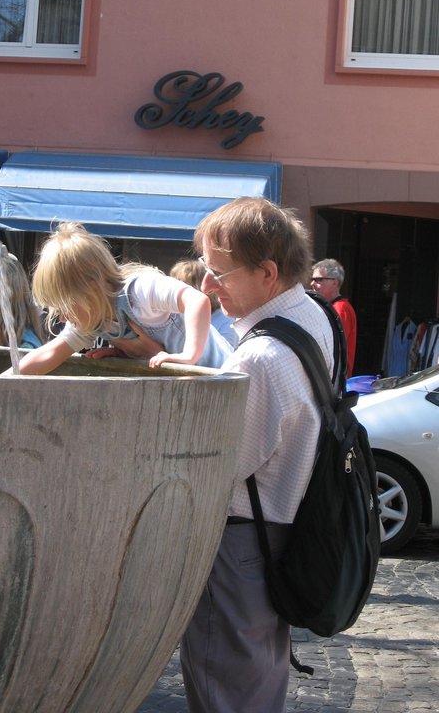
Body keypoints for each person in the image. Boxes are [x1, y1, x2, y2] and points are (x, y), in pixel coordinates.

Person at [180, 197, 335, 713]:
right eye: (205, 268)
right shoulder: (313, 315)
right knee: (257, 677)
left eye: (219, 272)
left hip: (241, 541)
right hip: (284, 531)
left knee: (224, 685)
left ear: (267, 273)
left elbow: (220, 469)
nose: (207, 286)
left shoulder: (260, 358)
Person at [9, 222, 231, 375]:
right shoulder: (93, 319)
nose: (63, 318)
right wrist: (4, 379)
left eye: (66, 306)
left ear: (92, 289)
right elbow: (48, 353)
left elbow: (196, 300)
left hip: (222, 371)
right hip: (196, 389)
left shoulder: (139, 291)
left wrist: (189, 355)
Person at [170, 258, 238, 348]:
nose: (177, 290)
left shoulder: (225, 319)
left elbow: (227, 352)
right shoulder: (173, 317)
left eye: (183, 284)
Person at [311, 258, 357, 377]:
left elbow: (331, 347)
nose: (312, 284)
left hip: (334, 379)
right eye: (313, 279)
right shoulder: (332, 307)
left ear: (335, 283)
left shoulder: (340, 309)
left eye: (319, 280)